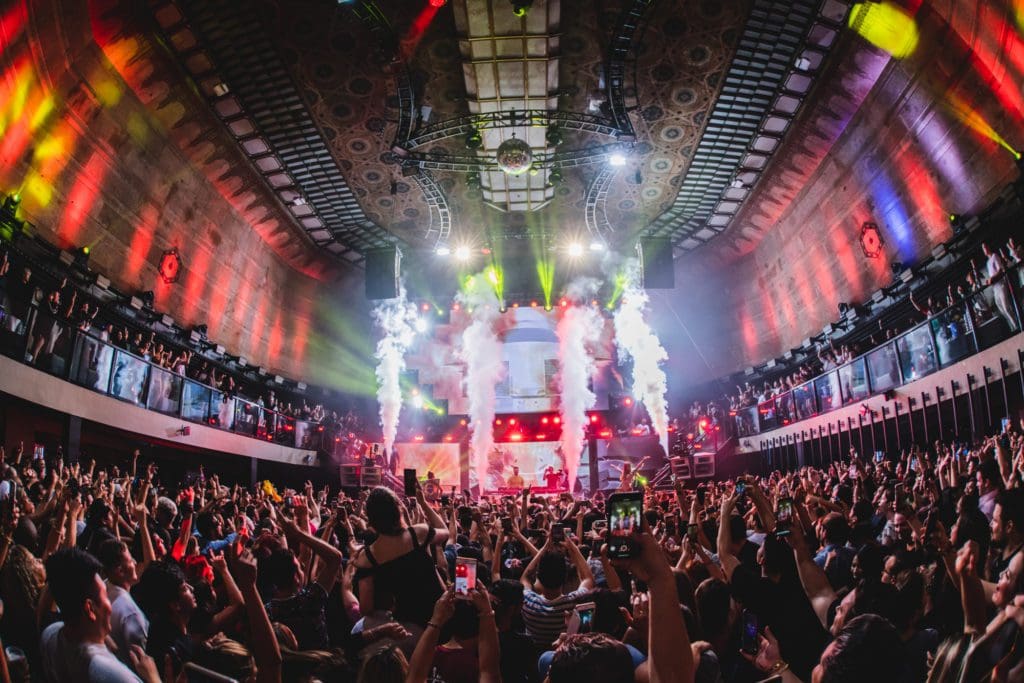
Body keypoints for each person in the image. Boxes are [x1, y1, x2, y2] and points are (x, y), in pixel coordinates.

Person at [40, 548, 153, 682]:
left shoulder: (49, 635)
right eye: (106, 595)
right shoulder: (116, 676)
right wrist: (153, 677)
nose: (110, 604)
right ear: (90, 609)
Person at [353, 485, 449, 627]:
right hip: (441, 613)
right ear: (398, 509)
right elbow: (445, 532)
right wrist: (423, 503)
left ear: (371, 517)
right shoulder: (418, 534)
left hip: (408, 625)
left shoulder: (367, 557)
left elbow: (366, 608)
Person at [519, 533, 594, 647]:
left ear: (538, 576)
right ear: (565, 577)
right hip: (563, 653)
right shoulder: (574, 604)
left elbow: (525, 578)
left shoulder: (528, 601)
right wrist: (572, 547)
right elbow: (588, 578)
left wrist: (544, 549)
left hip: (533, 653)